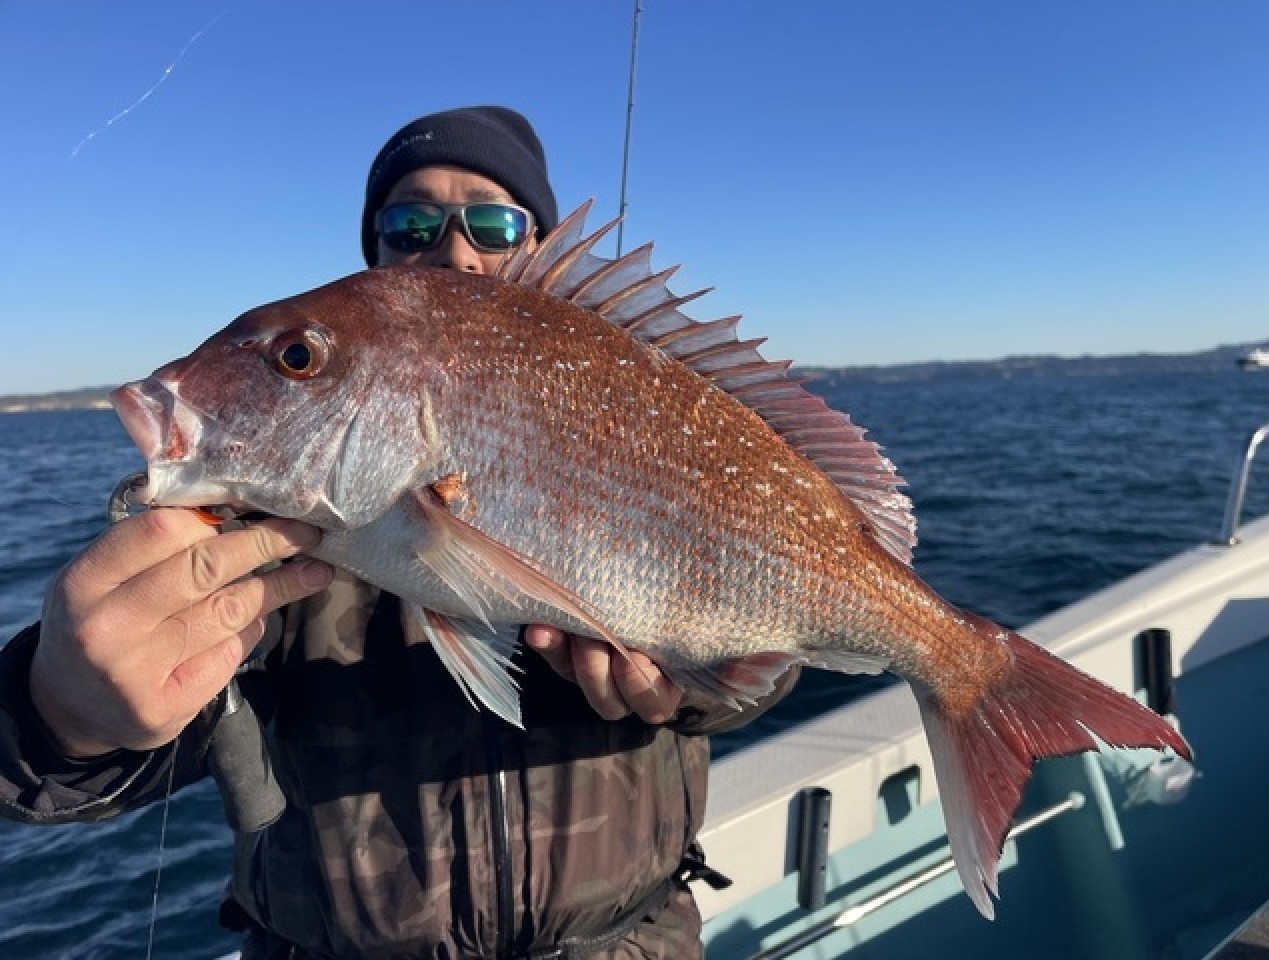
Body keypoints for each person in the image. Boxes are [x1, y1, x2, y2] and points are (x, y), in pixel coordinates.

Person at [0, 105, 798, 958]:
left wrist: (696, 688)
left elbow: (770, 633)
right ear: (376, 256)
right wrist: (61, 716)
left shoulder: (634, 399)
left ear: (534, 244)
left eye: (493, 222)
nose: (453, 250)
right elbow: (153, 738)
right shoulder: (246, 531)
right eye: (410, 223)